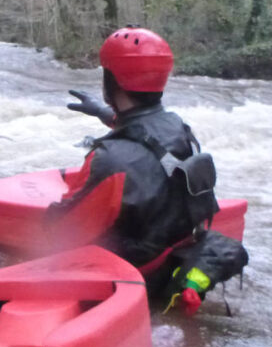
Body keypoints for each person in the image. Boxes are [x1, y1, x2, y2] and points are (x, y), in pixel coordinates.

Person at [65, 25, 244, 308]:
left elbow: (64, 231)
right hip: (175, 252)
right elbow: (148, 139)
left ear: (111, 81)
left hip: (137, 274)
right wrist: (104, 113)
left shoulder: (108, 161)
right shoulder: (179, 127)